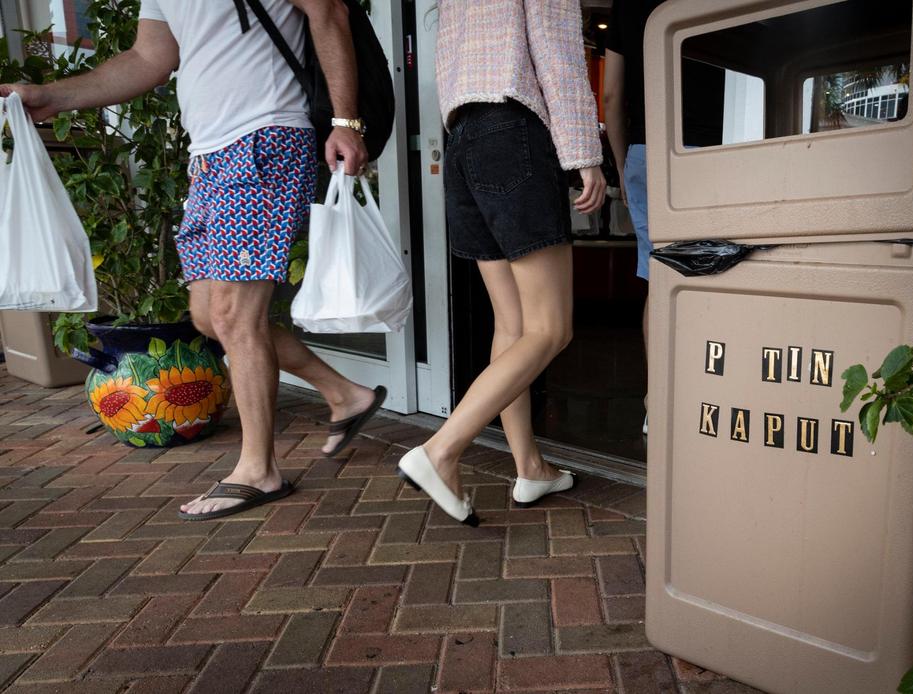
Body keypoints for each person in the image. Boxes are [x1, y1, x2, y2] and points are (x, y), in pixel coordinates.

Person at [1, 0, 385, 521]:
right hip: (208, 155)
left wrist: (345, 121)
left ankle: (259, 471)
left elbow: (329, 11)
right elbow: (148, 58)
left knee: (233, 316)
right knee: (208, 317)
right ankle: (345, 394)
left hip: (265, 138)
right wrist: (51, 96)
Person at [396, 0, 607, 526]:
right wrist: (585, 155)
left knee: (512, 324)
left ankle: (530, 467)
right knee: (550, 329)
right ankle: (441, 451)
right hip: (514, 132)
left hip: (463, 140)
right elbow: (557, 55)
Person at [603, 0, 667, 436]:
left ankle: (655, 402)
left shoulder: (626, 2)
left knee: (658, 278)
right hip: (722, 145)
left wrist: (625, 164)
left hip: (649, 151)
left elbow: (611, 97)